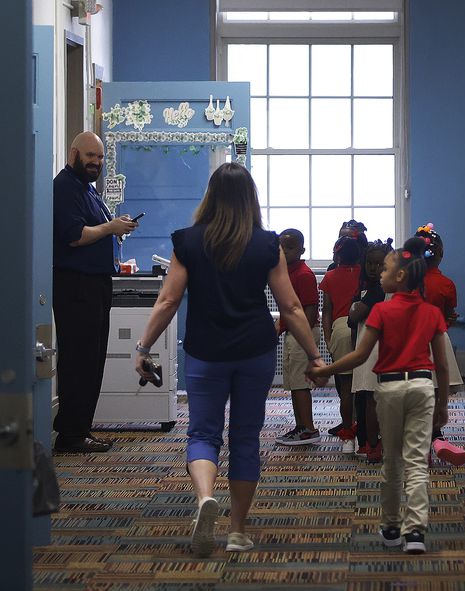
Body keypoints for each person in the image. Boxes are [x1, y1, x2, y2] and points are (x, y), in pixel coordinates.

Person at [134, 163, 323, 558]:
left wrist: (143, 348)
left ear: (211, 195)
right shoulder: (267, 244)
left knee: (203, 433)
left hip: (205, 352)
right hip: (254, 352)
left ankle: (205, 498)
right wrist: (314, 355)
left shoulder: (188, 241)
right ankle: (237, 530)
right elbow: (290, 306)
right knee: (245, 439)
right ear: (250, 198)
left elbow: (168, 300)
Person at [309, 237, 451, 555]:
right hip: (422, 388)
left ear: (400, 277)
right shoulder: (431, 313)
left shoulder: (382, 311)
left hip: (389, 389)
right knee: (416, 462)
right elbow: (441, 366)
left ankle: (390, 526)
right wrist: (443, 406)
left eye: (386, 269)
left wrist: (325, 371)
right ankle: (415, 533)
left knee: (392, 462)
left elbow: (359, 357)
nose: (380, 273)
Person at [52, 132, 138, 453]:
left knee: (91, 359)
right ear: (74, 152)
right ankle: (72, 434)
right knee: (80, 360)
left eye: (100, 158)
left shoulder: (86, 189)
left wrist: (115, 226)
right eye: (90, 156)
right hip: (76, 286)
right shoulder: (64, 188)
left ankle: (80, 427)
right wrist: (110, 227)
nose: (96, 163)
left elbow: (95, 229)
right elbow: (74, 235)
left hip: (94, 284)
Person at [415, 224, 465, 467]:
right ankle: (436, 436)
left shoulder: (405, 281)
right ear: (441, 255)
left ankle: (420, 442)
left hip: (411, 343)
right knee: (437, 390)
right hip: (437, 339)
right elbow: (448, 314)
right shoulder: (446, 284)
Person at [348, 238, 394, 463]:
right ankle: (377, 444)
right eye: (370, 264)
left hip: (374, 352)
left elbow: (353, 318)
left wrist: (354, 309)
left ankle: (375, 445)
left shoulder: (376, 291)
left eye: (380, 264)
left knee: (372, 400)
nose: (375, 269)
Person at [275, 228, 323, 446]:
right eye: (281, 247)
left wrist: (302, 336)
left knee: (301, 384)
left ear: (302, 249)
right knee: (294, 384)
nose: (285, 251)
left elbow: (311, 311)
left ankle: (309, 429)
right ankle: (300, 425)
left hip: (302, 335)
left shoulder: (304, 274)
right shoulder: (285, 273)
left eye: (290, 247)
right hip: (292, 334)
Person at [319, 235, 362, 453]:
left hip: (340, 329)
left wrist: (328, 337)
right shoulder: (367, 275)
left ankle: (347, 436)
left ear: (337, 255)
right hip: (365, 329)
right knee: (367, 387)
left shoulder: (329, 277)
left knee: (345, 387)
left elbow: (327, 310)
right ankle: (369, 435)